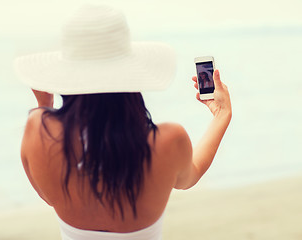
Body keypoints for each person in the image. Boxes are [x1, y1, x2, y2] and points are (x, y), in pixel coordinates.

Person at [14, 4, 231, 240]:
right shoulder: (168, 141)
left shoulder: (37, 130)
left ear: (68, 77)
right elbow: (192, 173)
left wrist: (44, 104)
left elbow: (48, 193)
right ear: (131, 73)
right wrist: (222, 114)